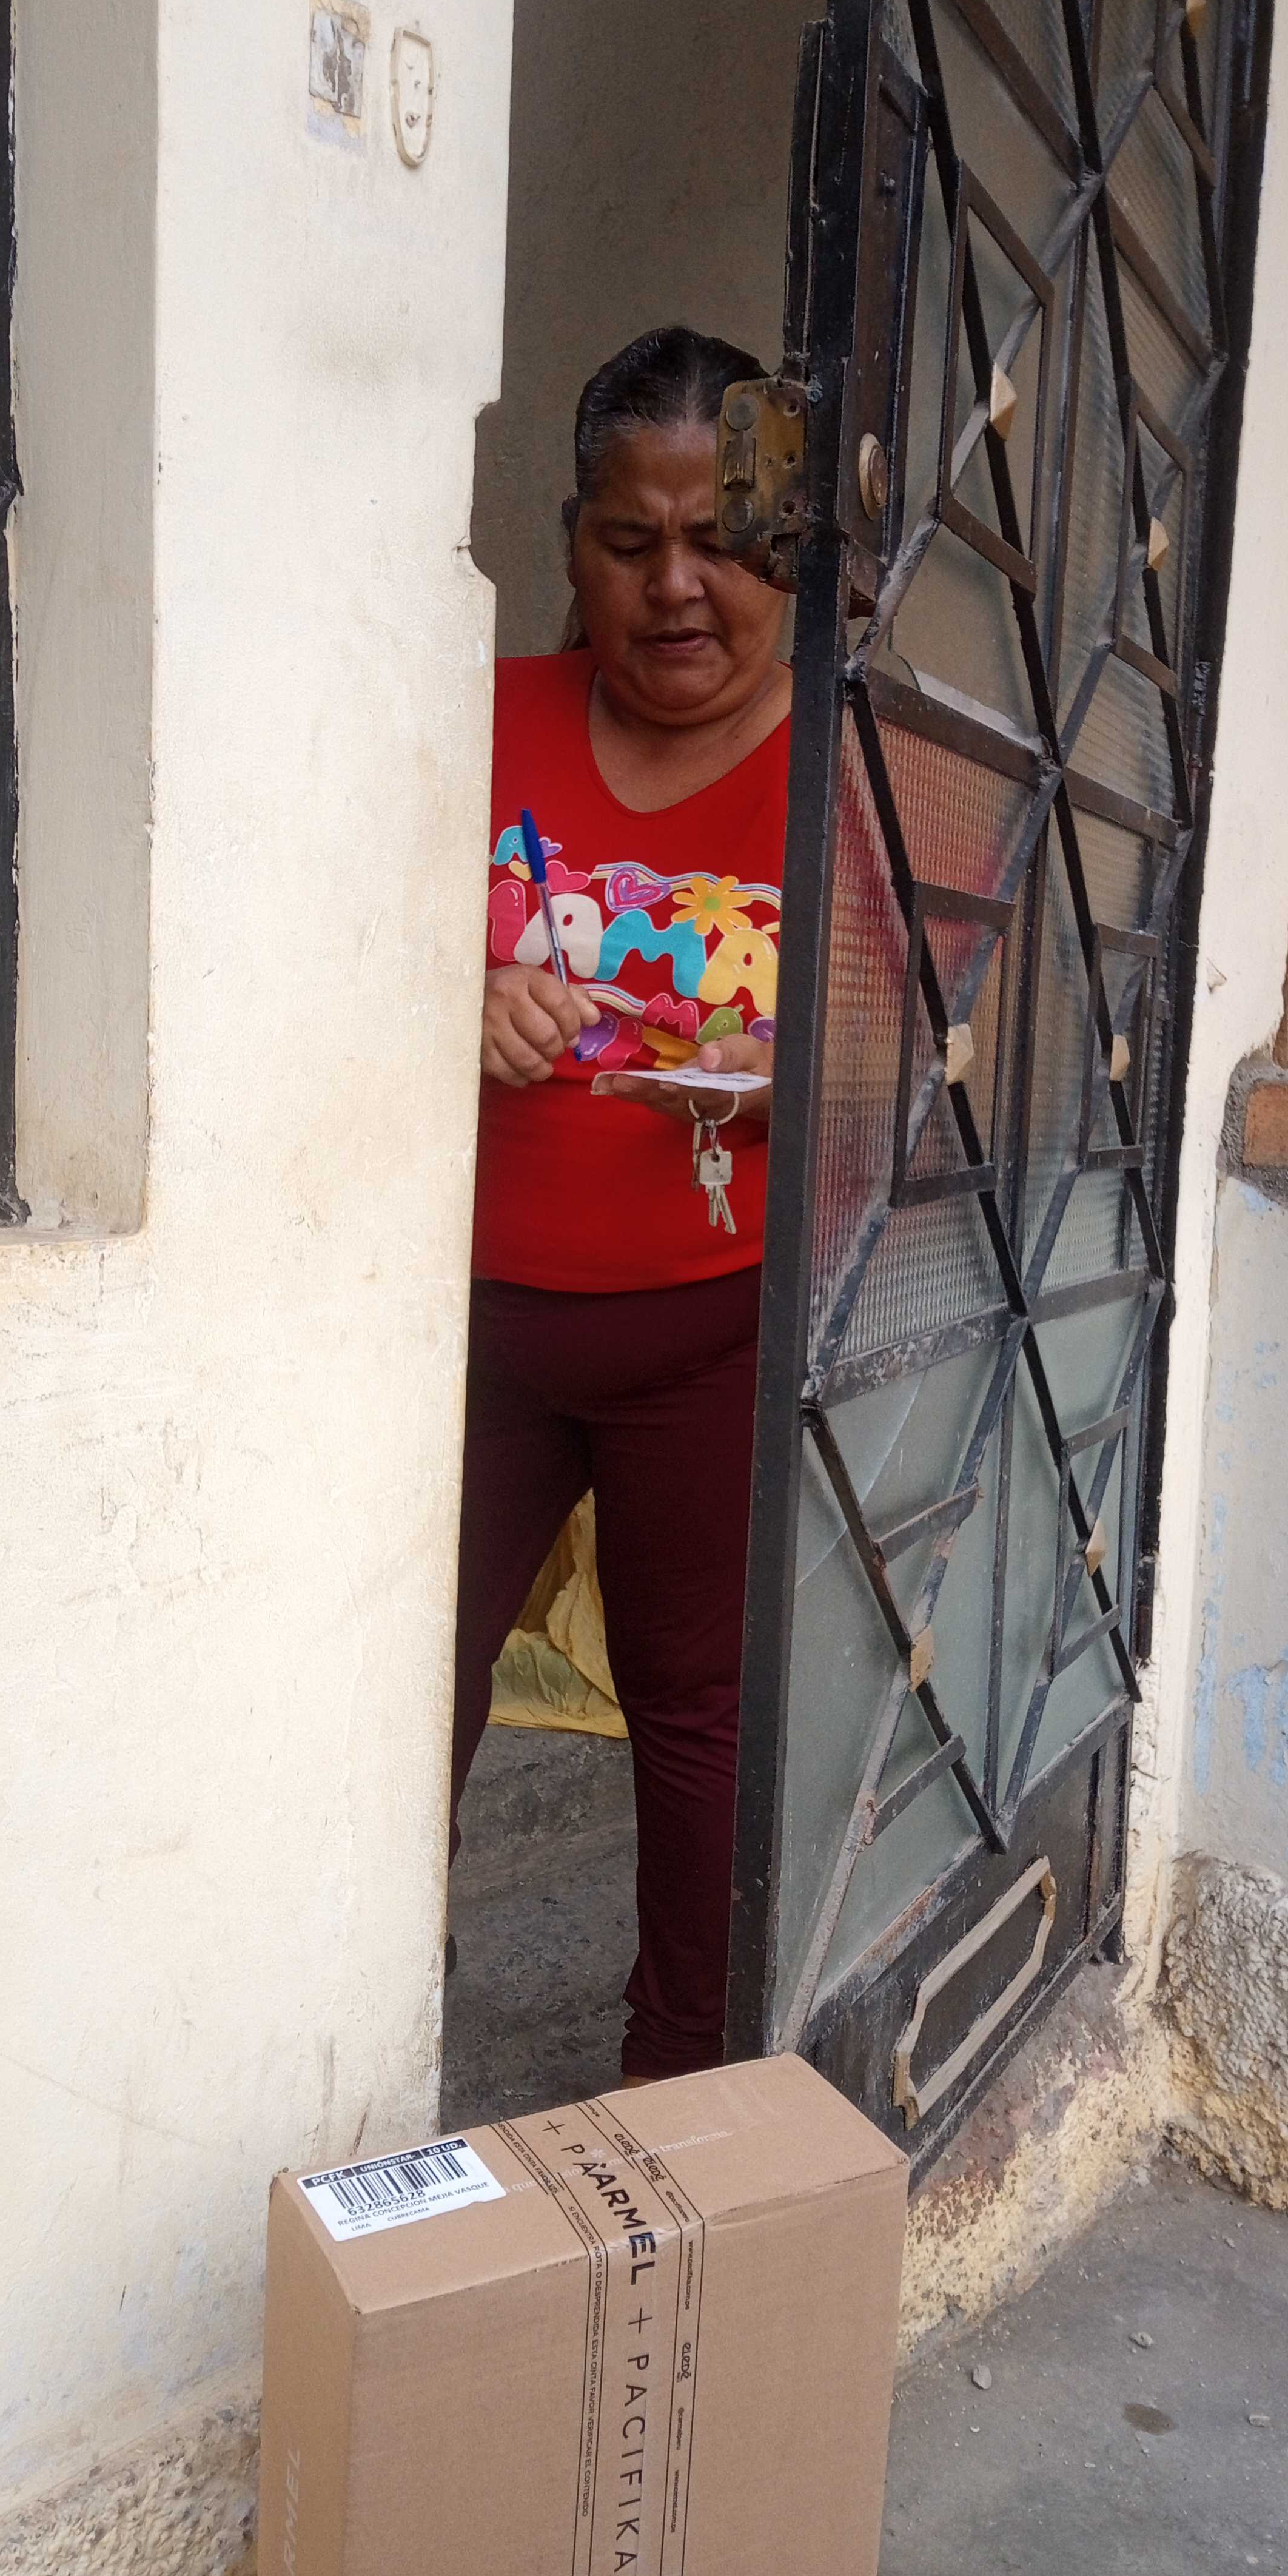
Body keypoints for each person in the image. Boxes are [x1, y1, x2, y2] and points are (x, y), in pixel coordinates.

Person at [452, 324, 791, 2084]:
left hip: (712, 1338)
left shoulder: (858, 771)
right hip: (459, 1335)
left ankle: (677, 2090)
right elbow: (301, 937)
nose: (675, 587)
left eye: (719, 541)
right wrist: (448, 993)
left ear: (782, 550)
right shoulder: (473, 717)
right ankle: (341, 2040)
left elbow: (953, 1054)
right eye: (629, 540)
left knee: (696, 1714)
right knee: (389, 1689)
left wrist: (811, 1071)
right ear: (571, 543)